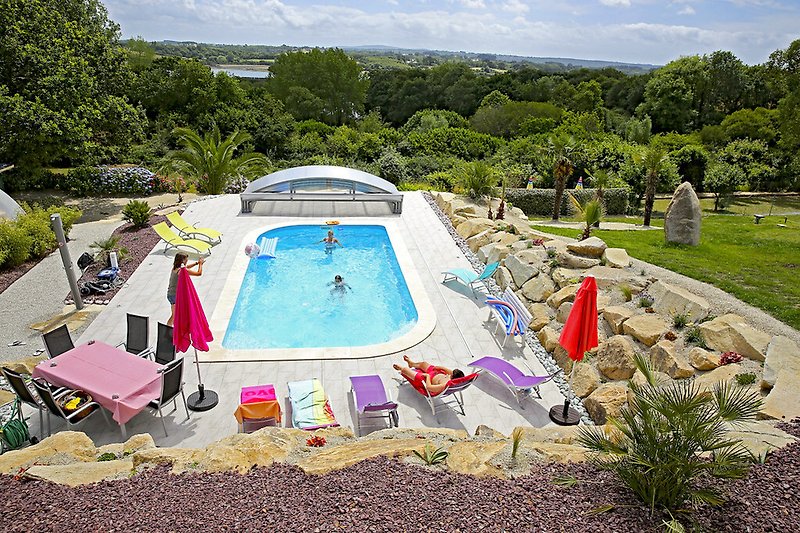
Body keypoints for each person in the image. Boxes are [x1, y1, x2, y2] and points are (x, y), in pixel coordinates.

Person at [393, 355, 465, 396]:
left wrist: (427, 377)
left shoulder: (444, 385)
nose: (450, 374)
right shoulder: (452, 376)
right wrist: (440, 367)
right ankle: (411, 364)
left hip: (427, 379)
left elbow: (429, 387)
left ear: (453, 378)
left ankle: (401, 368)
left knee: (406, 370)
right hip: (435, 372)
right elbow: (447, 370)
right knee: (423, 364)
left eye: (451, 375)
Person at [166, 253, 204, 326]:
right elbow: (198, 273)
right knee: (177, 315)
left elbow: (187, 267)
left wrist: (196, 263)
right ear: (183, 260)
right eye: (186, 259)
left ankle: (169, 329)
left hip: (170, 294)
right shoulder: (182, 271)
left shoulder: (175, 268)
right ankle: (171, 331)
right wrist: (201, 264)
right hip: (175, 296)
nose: (187, 260)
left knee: (174, 315)